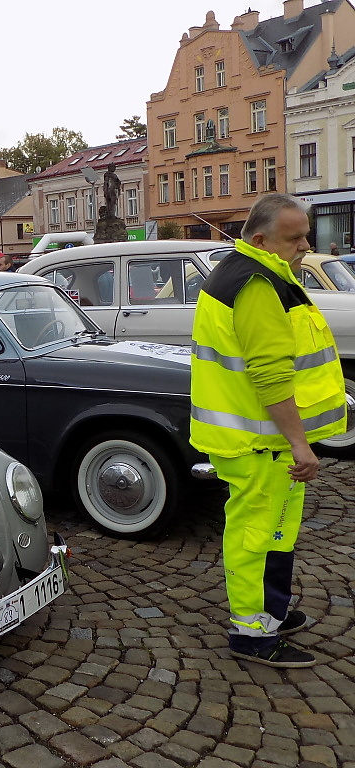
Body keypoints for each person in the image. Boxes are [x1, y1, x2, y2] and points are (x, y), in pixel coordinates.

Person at [190, 193, 347, 668]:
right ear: (260, 239)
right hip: (259, 443)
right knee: (257, 537)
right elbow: (271, 374)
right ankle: (252, 633)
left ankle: (271, 611)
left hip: (259, 440)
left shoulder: (251, 271)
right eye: (294, 238)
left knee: (274, 533)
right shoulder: (257, 284)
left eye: (306, 236)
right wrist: (301, 444)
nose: (305, 246)